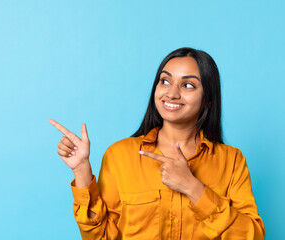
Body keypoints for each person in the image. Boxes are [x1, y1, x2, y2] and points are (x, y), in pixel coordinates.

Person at [49, 47, 265, 239]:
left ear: (208, 98)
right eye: (165, 81)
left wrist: (194, 188)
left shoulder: (232, 160)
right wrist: (81, 169)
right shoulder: (119, 155)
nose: (172, 93)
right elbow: (101, 236)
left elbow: (253, 236)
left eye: (188, 85)